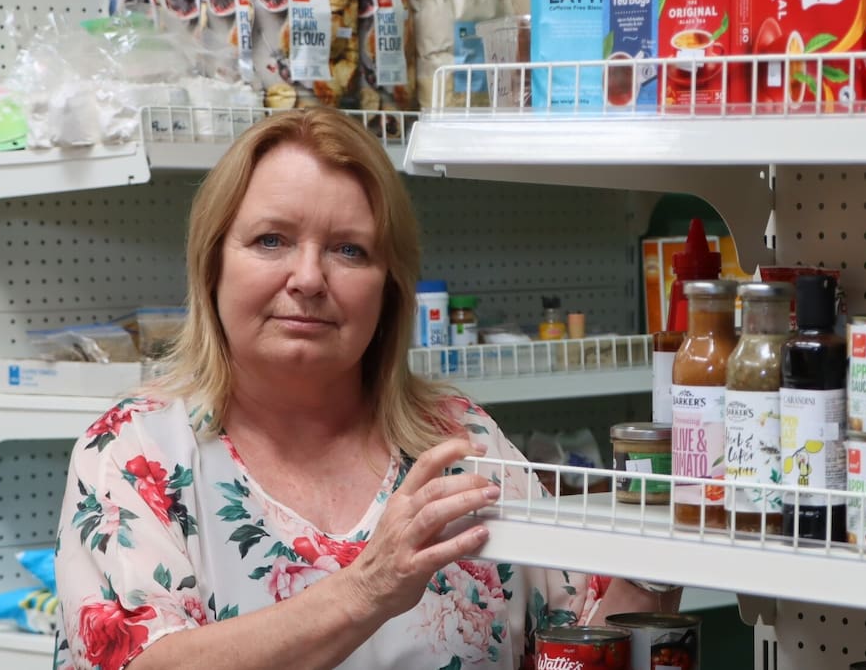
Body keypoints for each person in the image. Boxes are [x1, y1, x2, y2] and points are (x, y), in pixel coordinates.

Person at [52, 107, 679, 670]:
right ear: (212, 263)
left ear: (390, 288)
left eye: (349, 251)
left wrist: (666, 548)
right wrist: (367, 587)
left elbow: (584, 643)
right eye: (271, 240)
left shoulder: (459, 441)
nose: (308, 278)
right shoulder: (136, 453)